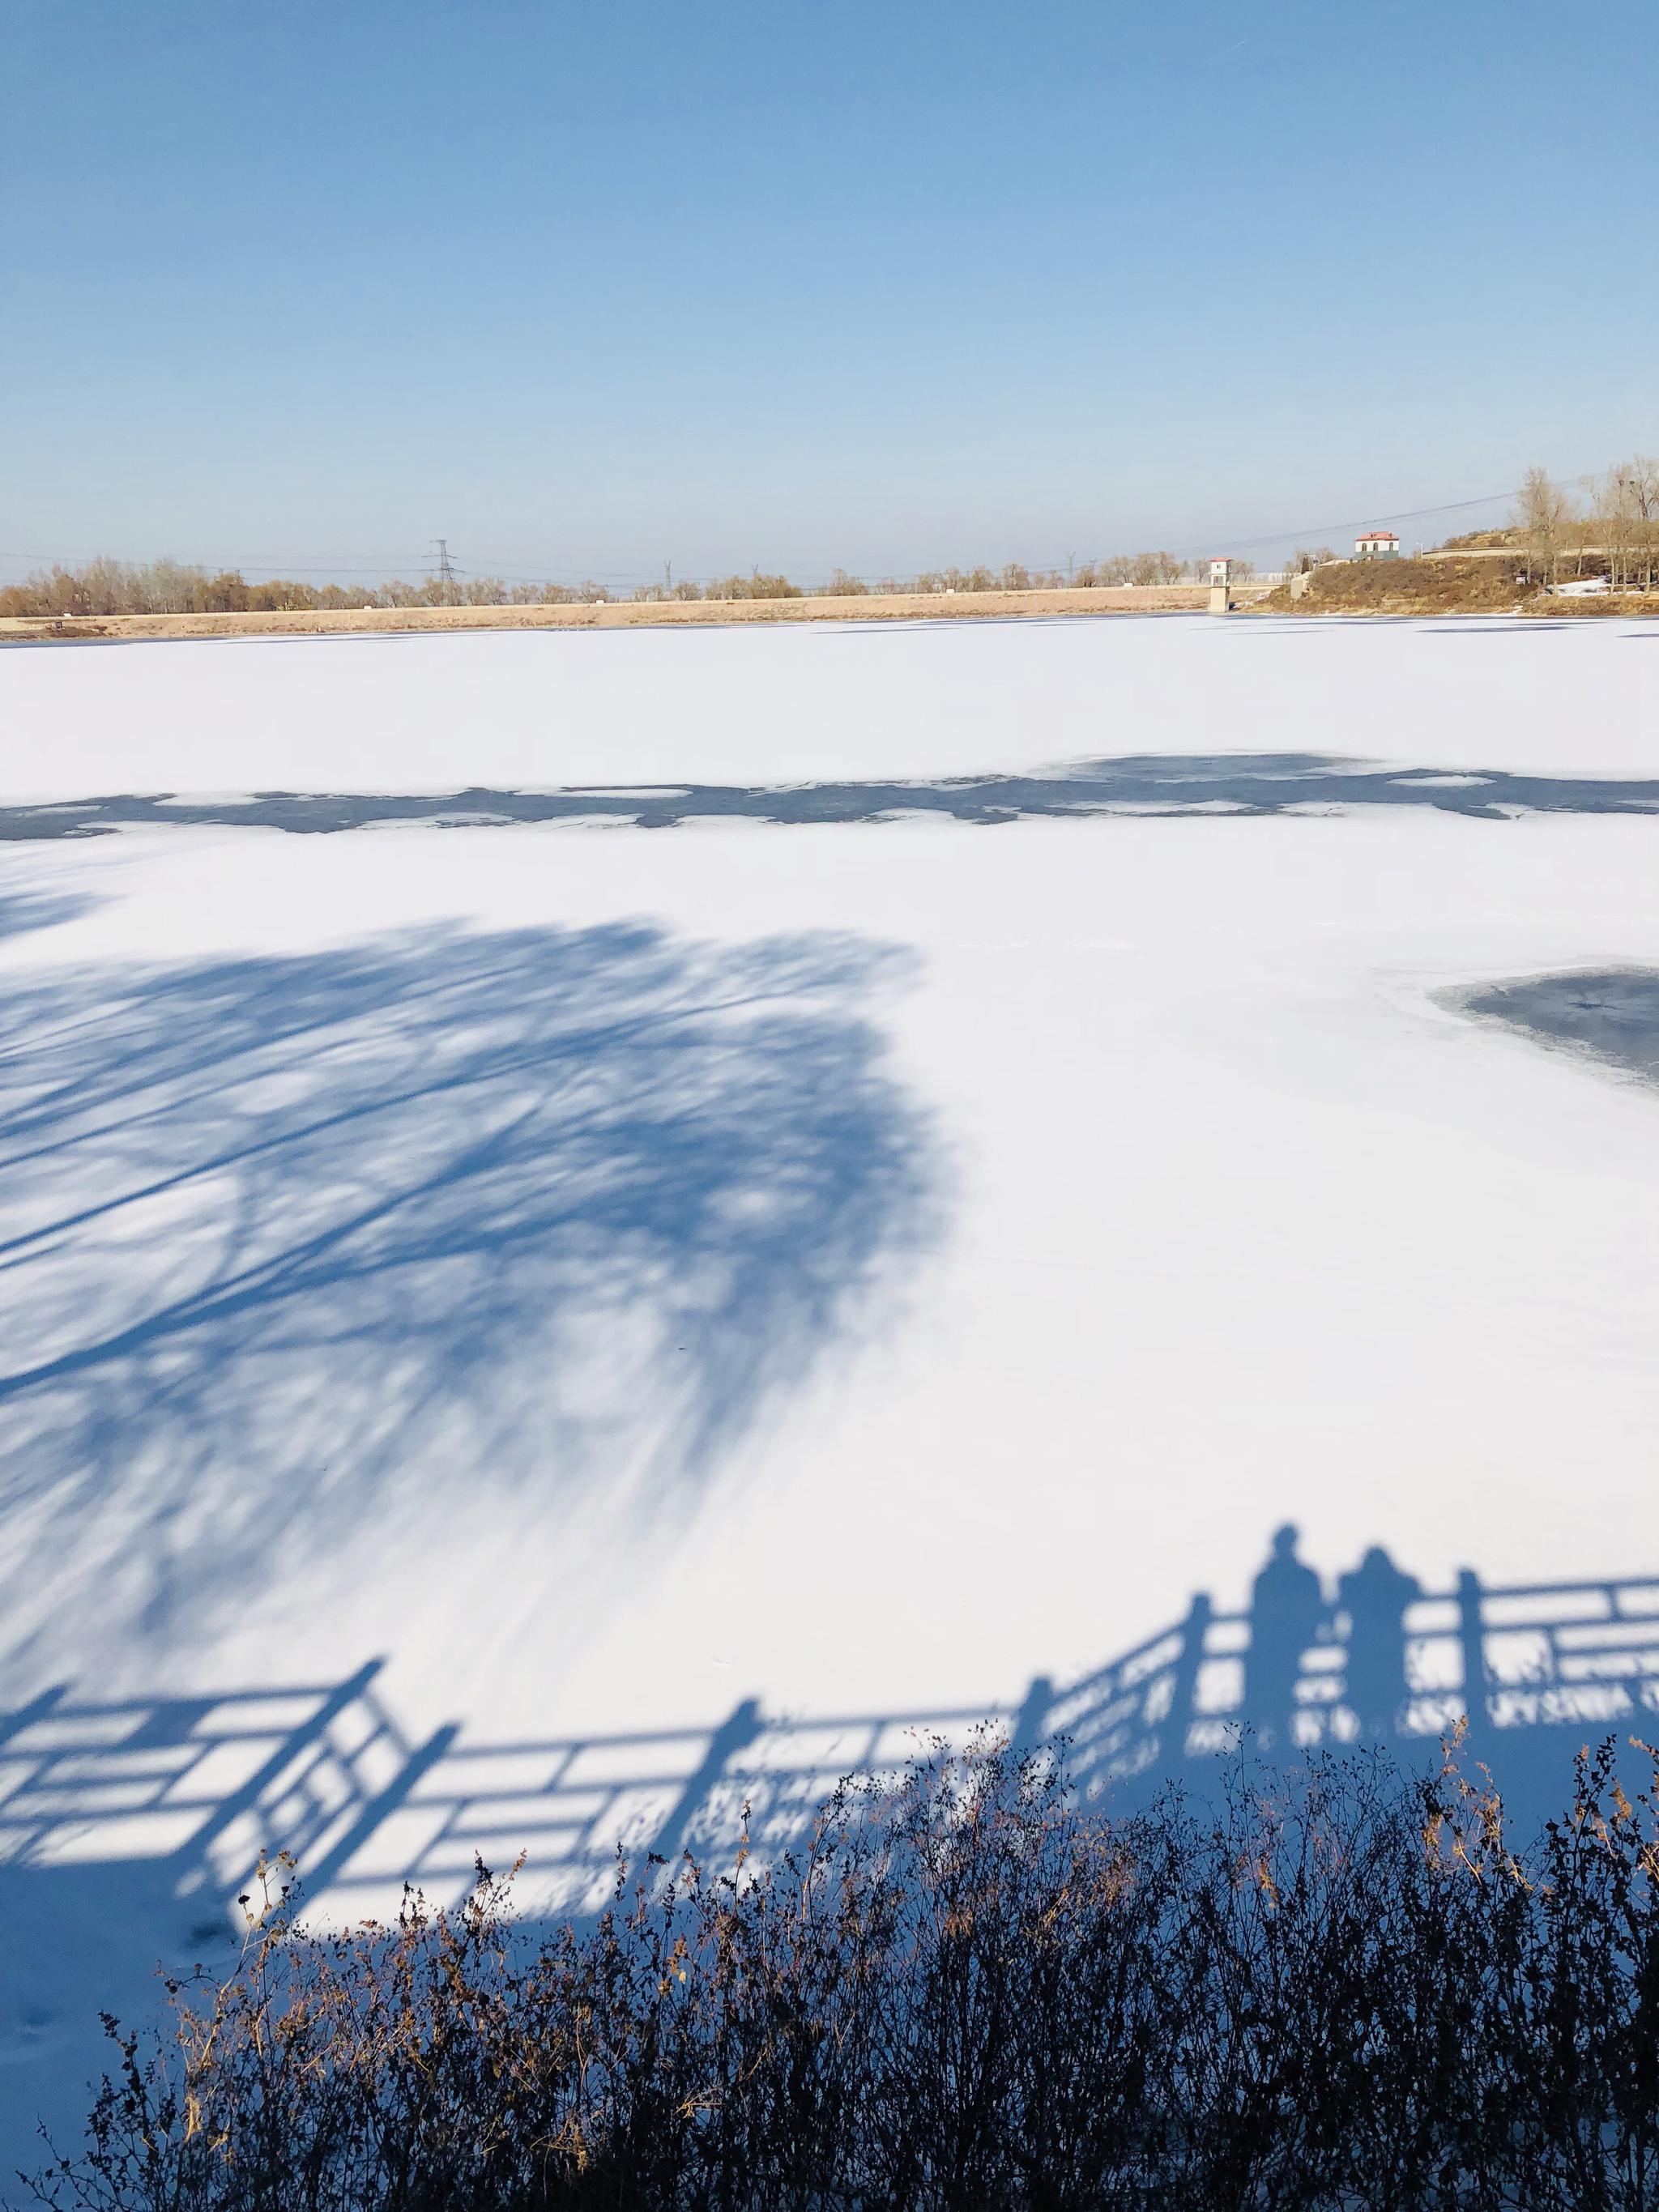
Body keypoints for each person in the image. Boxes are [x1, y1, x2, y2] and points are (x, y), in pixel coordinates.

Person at [1245, 1525, 1325, 1751]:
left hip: (1272, 1649)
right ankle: (1276, 1747)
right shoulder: (1301, 1577)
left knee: (1271, 1704)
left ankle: (1261, 1751)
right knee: (1274, 1703)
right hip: (1278, 1649)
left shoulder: (1267, 1577)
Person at [1337, 1546, 1422, 1738]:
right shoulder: (1391, 1588)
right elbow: (1413, 1586)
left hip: (1363, 1651)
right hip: (1387, 1651)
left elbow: (1344, 1584)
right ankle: (1390, 1736)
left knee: (1367, 1697)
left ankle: (1367, 1737)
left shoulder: (1357, 1588)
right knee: (1387, 1698)